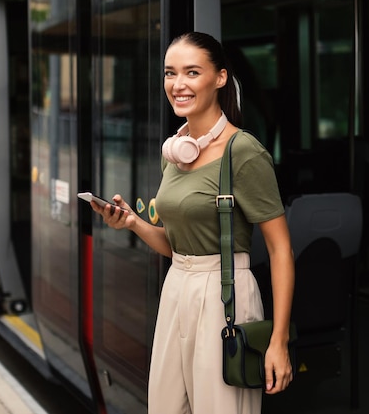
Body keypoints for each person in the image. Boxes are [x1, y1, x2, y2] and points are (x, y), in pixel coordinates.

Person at [90, 31, 295, 414]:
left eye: (191, 72)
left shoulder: (244, 152)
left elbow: (281, 248)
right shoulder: (174, 154)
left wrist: (277, 341)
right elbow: (177, 244)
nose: (178, 84)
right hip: (176, 289)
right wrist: (132, 223)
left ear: (219, 78)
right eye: (170, 73)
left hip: (224, 297)